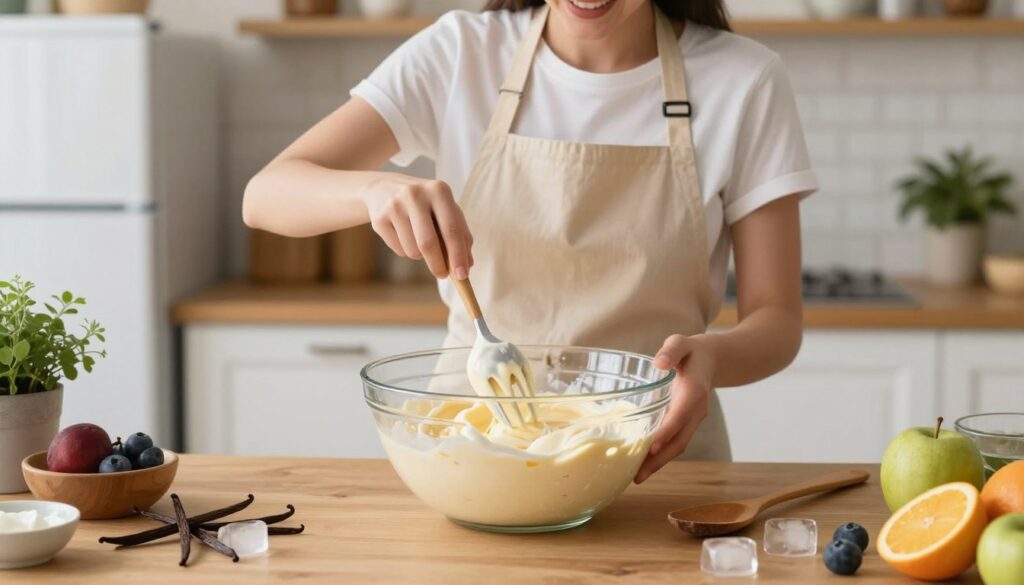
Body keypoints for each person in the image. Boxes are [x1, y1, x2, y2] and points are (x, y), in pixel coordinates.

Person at [243, 0, 817, 482]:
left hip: (656, 462)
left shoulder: (744, 80)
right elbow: (266, 195)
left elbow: (777, 321)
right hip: (467, 457)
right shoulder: (460, 53)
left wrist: (710, 359)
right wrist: (373, 190)